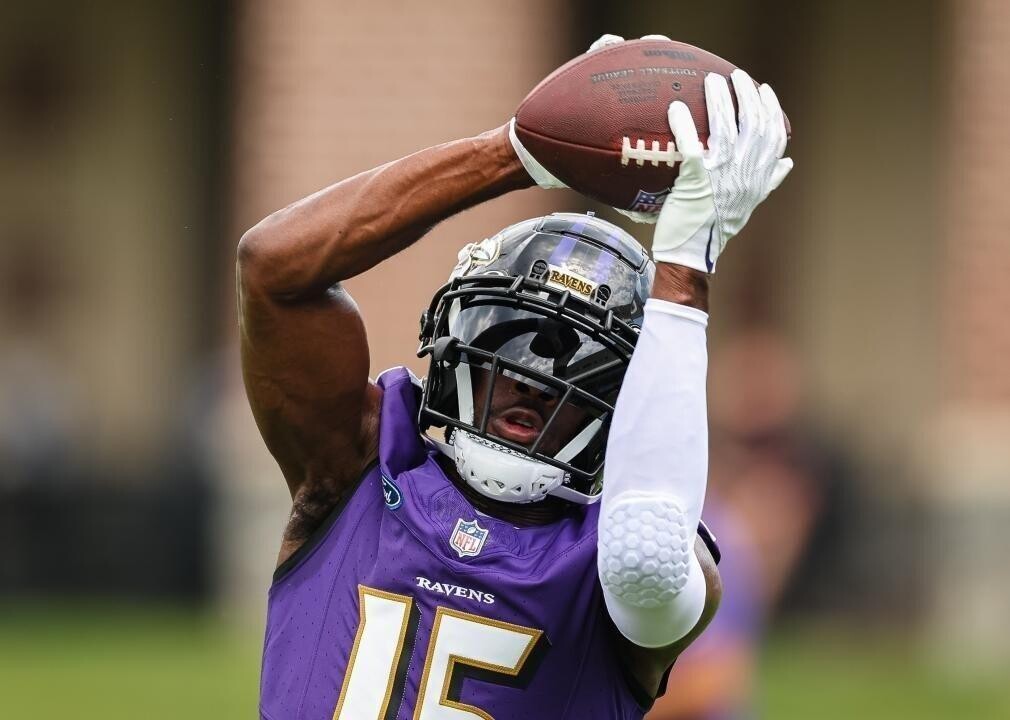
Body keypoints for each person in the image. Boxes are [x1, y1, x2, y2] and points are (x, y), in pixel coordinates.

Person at [238, 34, 792, 720]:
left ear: (628, 403)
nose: (533, 377)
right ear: (457, 338)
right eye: (512, 338)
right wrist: (514, 154)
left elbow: (644, 561)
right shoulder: (359, 461)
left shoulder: (620, 566)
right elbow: (274, 270)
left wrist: (683, 267)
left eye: (575, 363)